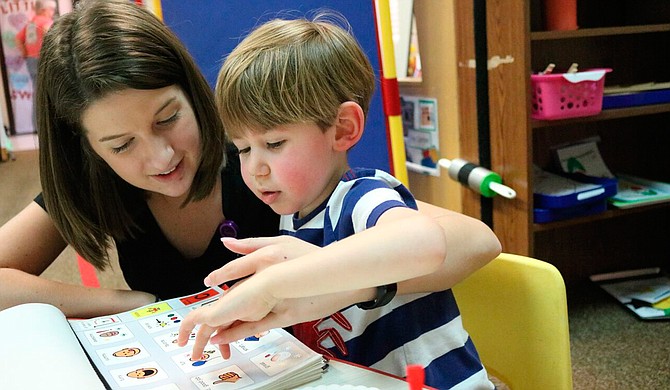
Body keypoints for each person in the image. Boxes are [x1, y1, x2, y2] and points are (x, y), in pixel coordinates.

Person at [0, 0, 499, 375]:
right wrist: (138, 303)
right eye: (120, 145)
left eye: (169, 118)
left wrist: (311, 283)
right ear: (88, 148)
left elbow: (471, 242)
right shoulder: (101, 184)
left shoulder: (269, 168)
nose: (160, 157)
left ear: (194, 93)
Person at [177, 15, 496, 389]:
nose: (255, 168)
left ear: (343, 128)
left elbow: (423, 242)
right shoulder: (293, 215)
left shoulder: (361, 194)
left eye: (274, 144)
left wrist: (274, 283)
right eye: (243, 149)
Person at [15, 0, 57, 132]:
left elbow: (18, 38)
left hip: (31, 61)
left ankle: (37, 126)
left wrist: (25, 53)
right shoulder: (46, 22)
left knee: (37, 92)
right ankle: (47, 127)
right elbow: (48, 34)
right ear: (45, 10)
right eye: (51, 10)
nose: (52, 13)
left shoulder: (31, 23)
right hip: (43, 61)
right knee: (50, 92)